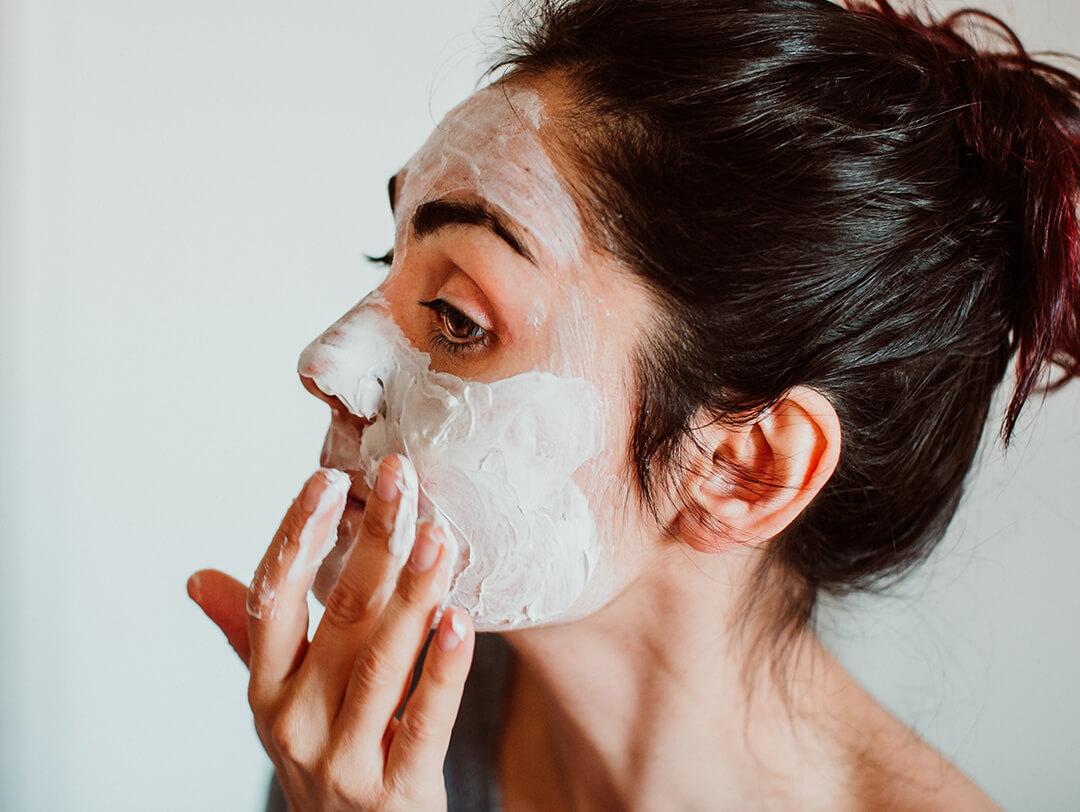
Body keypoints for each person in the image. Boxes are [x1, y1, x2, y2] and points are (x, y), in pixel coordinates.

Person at [187, 0, 1080, 808]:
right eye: (388, 266)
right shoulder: (381, 737)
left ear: (744, 467)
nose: (325, 363)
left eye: (454, 316)